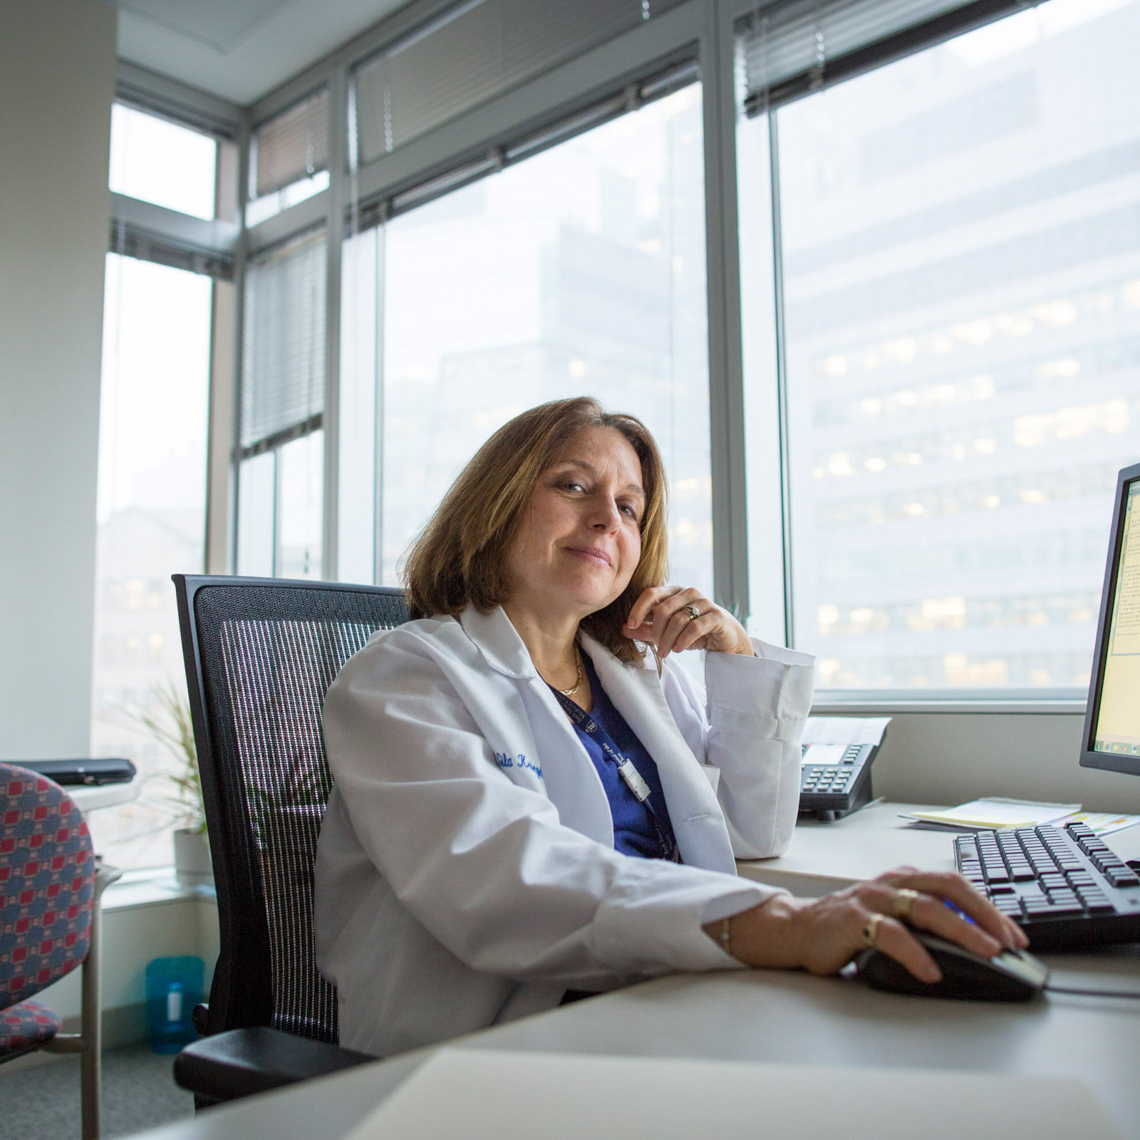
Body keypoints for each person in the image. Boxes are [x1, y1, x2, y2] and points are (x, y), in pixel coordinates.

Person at [315, 397, 1025, 1057]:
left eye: (630, 507)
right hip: (498, 1041)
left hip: (657, 996)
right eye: (572, 486)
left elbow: (750, 830)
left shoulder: (631, 675)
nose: (607, 520)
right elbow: (506, 884)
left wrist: (737, 661)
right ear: (495, 503)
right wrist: (781, 924)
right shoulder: (404, 678)